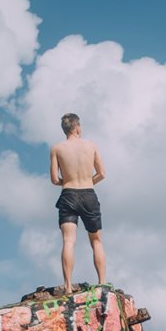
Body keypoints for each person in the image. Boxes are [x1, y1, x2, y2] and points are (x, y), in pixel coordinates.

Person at [50, 113, 107, 291]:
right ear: (77, 127)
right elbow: (102, 173)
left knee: (68, 241)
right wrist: (88, 181)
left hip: (68, 194)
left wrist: (66, 182)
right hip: (88, 193)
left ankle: (67, 286)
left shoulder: (57, 148)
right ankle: (102, 282)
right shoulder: (91, 145)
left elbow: (53, 179)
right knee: (96, 241)